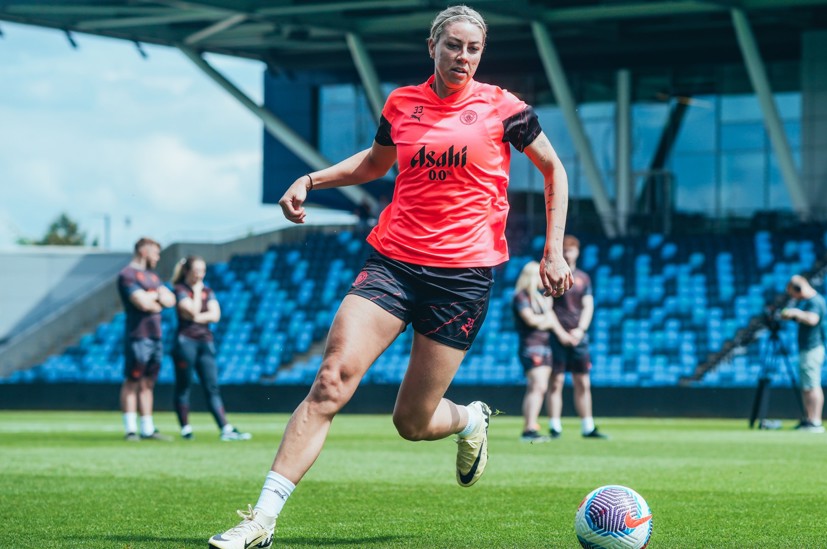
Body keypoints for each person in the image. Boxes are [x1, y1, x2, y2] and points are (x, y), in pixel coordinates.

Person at [208, 6, 573, 548]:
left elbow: (553, 169)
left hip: (462, 278)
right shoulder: (402, 103)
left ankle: (470, 421)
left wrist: (553, 250)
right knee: (331, 380)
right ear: (433, 46)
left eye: (473, 48)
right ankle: (261, 520)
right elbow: (376, 164)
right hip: (393, 262)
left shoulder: (505, 108)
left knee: (411, 421)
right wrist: (311, 179)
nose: (463, 57)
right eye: (453, 45)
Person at [171, 256, 251, 442]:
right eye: (197, 270)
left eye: (203, 270)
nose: (200, 274)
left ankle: (225, 428)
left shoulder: (209, 290)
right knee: (184, 386)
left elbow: (215, 316)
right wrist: (197, 293)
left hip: (205, 342)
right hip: (185, 342)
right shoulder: (181, 290)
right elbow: (191, 311)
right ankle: (186, 428)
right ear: (187, 271)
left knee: (212, 386)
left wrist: (197, 314)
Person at [546, 235, 608, 440]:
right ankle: (555, 426)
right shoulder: (552, 275)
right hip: (558, 335)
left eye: (570, 249)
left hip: (578, 335)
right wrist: (561, 333)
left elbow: (588, 305)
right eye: (564, 249)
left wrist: (580, 330)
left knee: (583, 382)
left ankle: (587, 426)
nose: (567, 253)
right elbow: (547, 308)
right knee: (556, 382)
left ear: (577, 252)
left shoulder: (584, 278)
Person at [117, 237, 175, 441]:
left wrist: (154, 297)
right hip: (138, 335)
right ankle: (131, 429)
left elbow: (171, 299)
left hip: (155, 335)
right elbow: (142, 303)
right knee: (132, 380)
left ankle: (148, 429)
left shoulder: (153, 276)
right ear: (144, 251)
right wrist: (157, 297)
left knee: (148, 383)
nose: (158, 257)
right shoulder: (127, 275)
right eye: (155, 253)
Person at [512, 261, 572, 443]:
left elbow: (548, 321)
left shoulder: (541, 298)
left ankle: (531, 426)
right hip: (532, 347)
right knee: (538, 386)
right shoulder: (521, 297)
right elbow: (531, 320)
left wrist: (551, 324)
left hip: (545, 347)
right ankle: (529, 428)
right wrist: (546, 320)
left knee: (539, 387)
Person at [779, 275, 827, 433]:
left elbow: (812, 319)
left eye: (793, 293)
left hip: (812, 348)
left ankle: (815, 421)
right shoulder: (808, 302)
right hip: (807, 348)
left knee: (812, 385)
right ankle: (809, 419)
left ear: (798, 289)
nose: (793, 297)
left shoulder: (814, 301)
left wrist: (795, 312)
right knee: (807, 386)